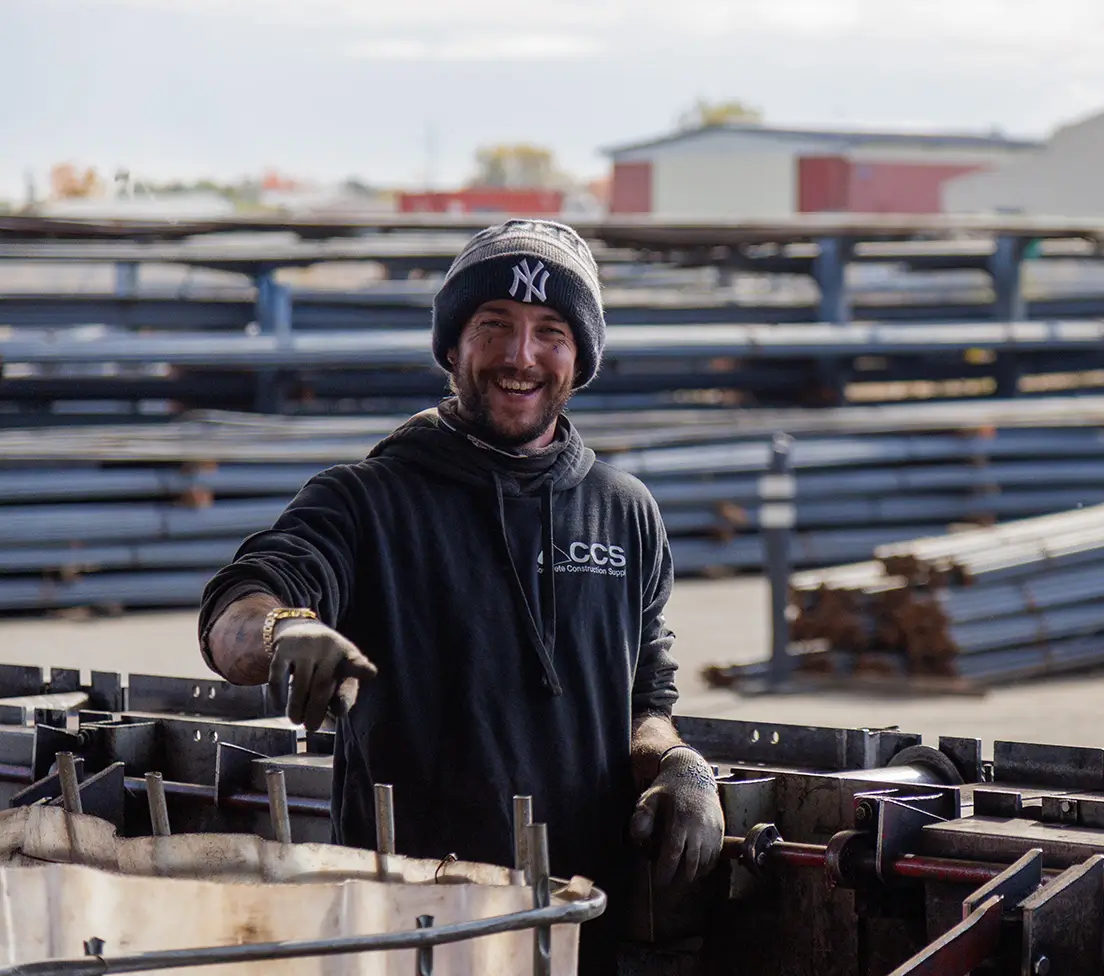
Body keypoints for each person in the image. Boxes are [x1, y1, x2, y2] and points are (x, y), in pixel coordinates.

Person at [196, 219, 725, 975]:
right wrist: (282, 630)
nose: (520, 355)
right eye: (493, 325)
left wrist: (680, 765)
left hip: (579, 928)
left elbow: (643, 705)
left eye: (550, 332)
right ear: (452, 347)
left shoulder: (624, 512)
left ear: (580, 358)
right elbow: (240, 605)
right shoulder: (367, 500)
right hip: (412, 931)